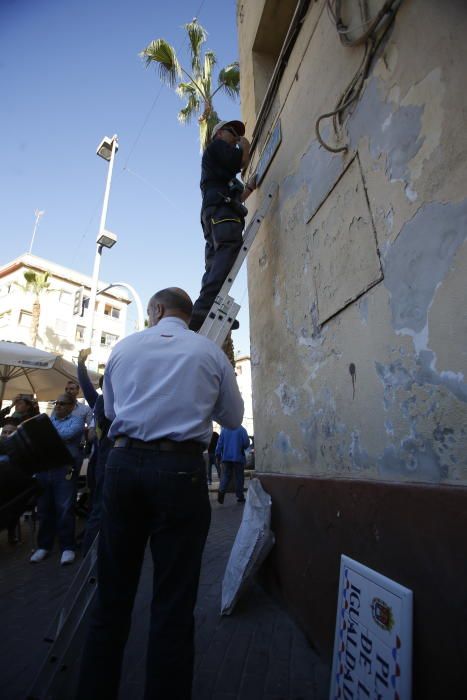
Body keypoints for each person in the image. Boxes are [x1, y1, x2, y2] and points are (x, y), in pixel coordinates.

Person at [76, 287, 243, 700]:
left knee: (112, 594)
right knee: (173, 599)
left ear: (156, 310)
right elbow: (234, 419)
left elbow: (111, 413)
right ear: (186, 314)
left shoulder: (124, 348)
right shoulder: (210, 353)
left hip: (124, 466)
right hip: (181, 472)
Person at [189, 119, 257, 331]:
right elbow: (240, 161)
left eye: (238, 134)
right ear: (218, 134)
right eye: (232, 132)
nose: (236, 137)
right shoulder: (217, 147)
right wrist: (245, 145)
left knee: (214, 264)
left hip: (215, 214)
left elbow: (236, 197)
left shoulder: (222, 174)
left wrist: (250, 188)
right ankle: (204, 308)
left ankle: (207, 309)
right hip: (221, 212)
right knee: (227, 252)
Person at [30, 394, 84, 565]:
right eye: (56, 402)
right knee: (44, 509)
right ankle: (44, 546)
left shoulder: (76, 421)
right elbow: (37, 439)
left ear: (71, 406)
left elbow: (65, 435)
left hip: (64, 470)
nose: (58, 406)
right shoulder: (48, 421)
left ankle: (67, 547)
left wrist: (45, 435)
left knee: (65, 509)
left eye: (62, 403)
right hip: (44, 468)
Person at [77, 348, 113, 554]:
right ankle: (91, 549)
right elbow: (86, 385)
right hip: (106, 462)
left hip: (101, 463)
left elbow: (85, 384)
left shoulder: (102, 401)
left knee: (99, 507)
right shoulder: (103, 401)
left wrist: (81, 364)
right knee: (100, 508)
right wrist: (81, 364)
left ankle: (92, 548)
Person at [216, 425, 250, 504]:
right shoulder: (242, 429)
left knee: (225, 476)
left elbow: (220, 443)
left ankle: (221, 492)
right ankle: (240, 496)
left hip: (226, 458)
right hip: (238, 457)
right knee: (239, 477)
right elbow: (246, 443)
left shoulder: (224, 430)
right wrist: (241, 446)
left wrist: (217, 453)